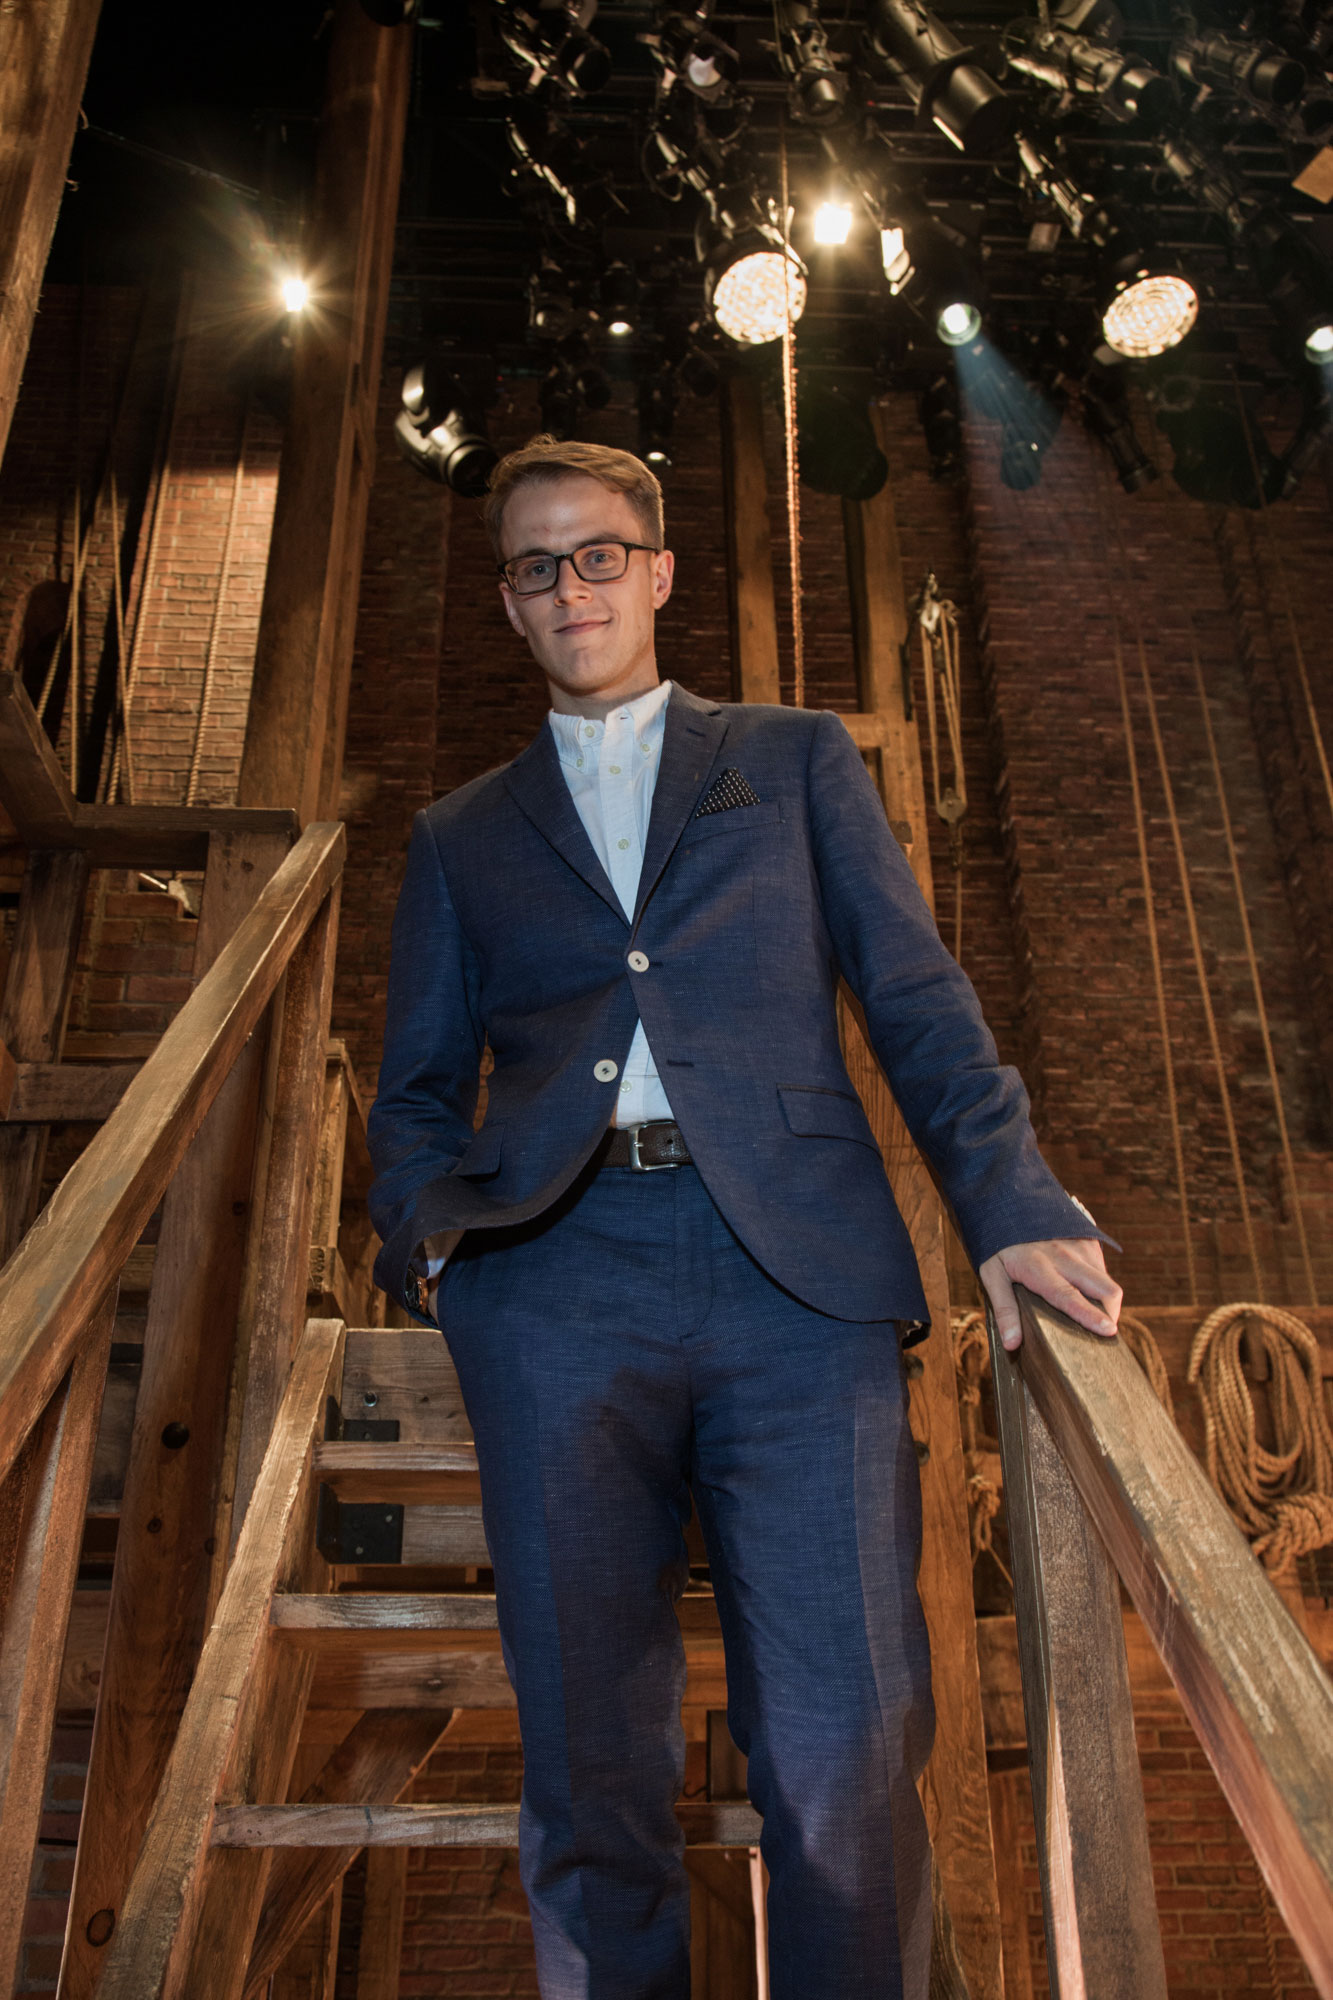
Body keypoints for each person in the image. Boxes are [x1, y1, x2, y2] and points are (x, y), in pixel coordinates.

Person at [367, 434, 1121, 2000]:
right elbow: (417, 1091)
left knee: (846, 1742)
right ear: (507, 604)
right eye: (532, 567)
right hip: (554, 1287)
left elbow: (911, 990)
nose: (567, 587)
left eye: (594, 556)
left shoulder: (790, 759)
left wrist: (1006, 1199)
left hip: (798, 1284)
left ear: (652, 573)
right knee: (588, 1758)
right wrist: (438, 1252)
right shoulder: (458, 836)